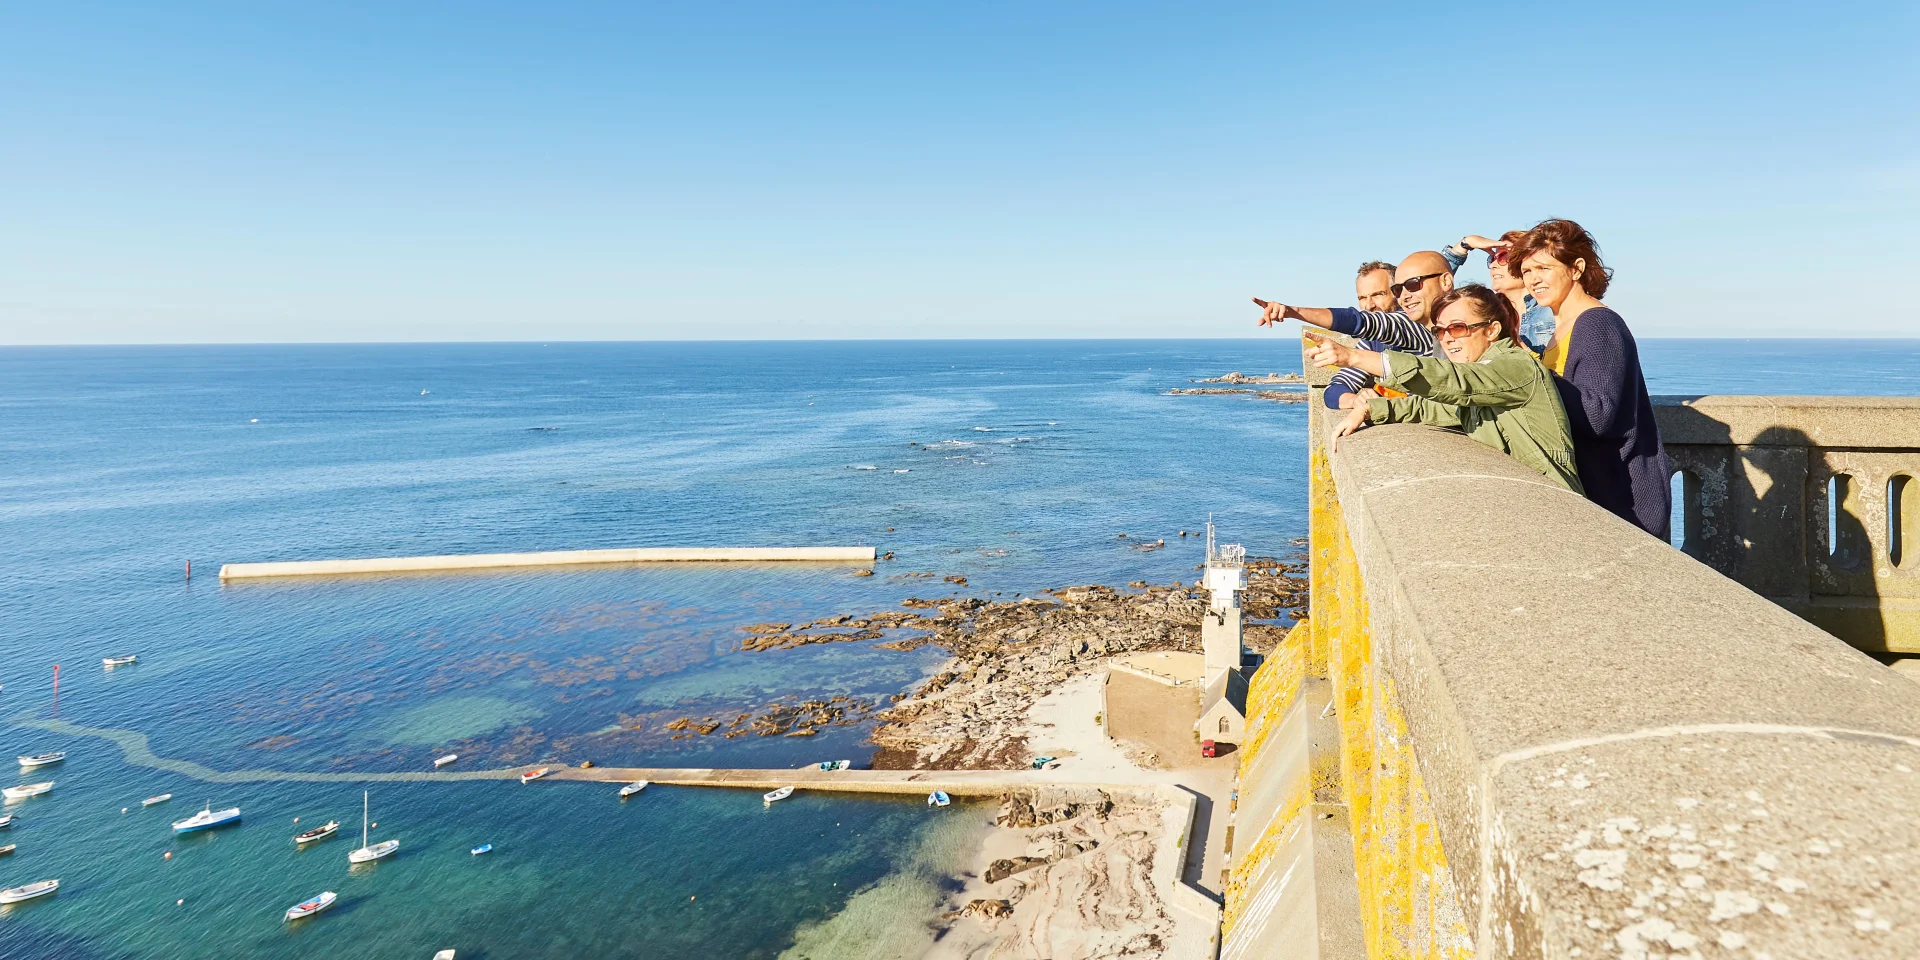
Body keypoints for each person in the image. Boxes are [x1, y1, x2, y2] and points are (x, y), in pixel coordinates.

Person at [1304, 284, 1582, 491]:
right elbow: (1429, 406)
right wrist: (1368, 409)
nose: (1447, 339)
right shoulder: (1483, 371)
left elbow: (1453, 381)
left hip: (1557, 506)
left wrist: (1354, 357)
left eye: (1458, 328)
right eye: (1440, 330)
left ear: (1492, 330)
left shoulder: (1516, 367)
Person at [1510, 219, 1670, 539]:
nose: (1533, 279)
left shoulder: (1597, 324)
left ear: (1576, 268)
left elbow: (1597, 414)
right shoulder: (1562, 327)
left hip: (1620, 500)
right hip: (1599, 492)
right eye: (1527, 271)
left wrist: (1528, 372)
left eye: (1543, 267)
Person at [1253, 251, 1455, 409]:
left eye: (1378, 294)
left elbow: (1361, 321)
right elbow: (1334, 390)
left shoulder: (1416, 325)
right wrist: (1355, 399)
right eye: (1362, 298)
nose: (1369, 305)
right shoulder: (1373, 342)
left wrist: (1294, 311)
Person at [1442, 233, 1556, 352]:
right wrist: (1464, 245)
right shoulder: (1489, 309)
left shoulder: (1551, 308)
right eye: (1492, 259)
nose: (1492, 265)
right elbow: (1434, 287)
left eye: (1503, 257)